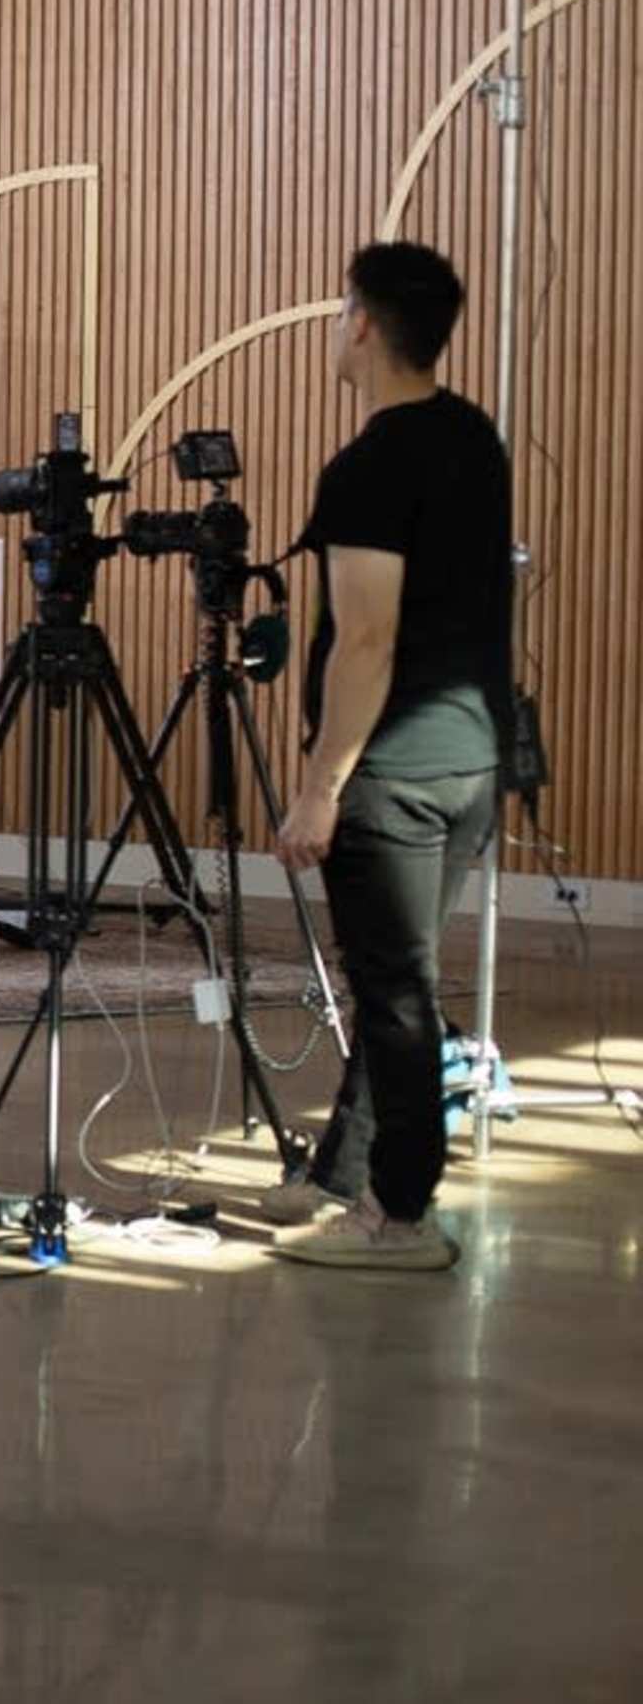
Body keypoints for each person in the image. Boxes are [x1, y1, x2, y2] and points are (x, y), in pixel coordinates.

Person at [268, 242, 511, 1274]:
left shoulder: (369, 469)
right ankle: (344, 1177)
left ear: (363, 322)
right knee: (393, 979)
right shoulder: (474, 438)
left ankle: (400, 1214)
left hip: (396, 775)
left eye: (341, 310)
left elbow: (366, 641)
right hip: (471, 760)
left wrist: (320, 788)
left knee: (397, 996)